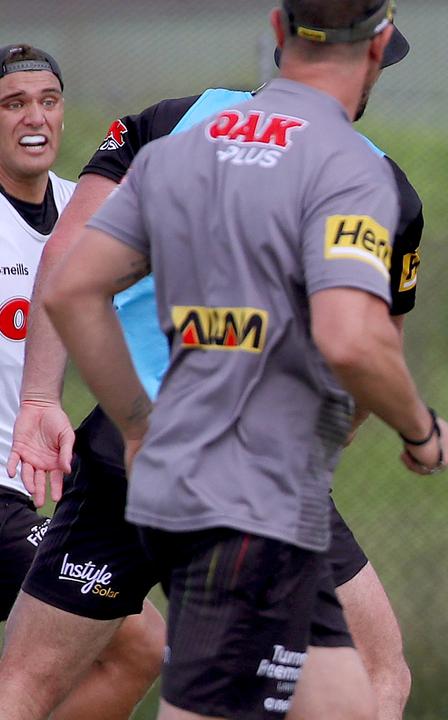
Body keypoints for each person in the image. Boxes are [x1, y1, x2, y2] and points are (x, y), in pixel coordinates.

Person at [0, 19, 423, 720]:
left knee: (30, 679)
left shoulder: (171, 122)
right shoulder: (375, 181)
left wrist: (43, 396)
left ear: (281, 36)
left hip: (121, 444)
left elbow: (67, 266)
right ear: (371, 58)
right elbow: (364, 356)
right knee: (373, 675)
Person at [0, 43, 170, 720]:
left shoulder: (84, 211)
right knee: (136, 644)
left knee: (136, 651)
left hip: (48, 483)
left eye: (47, 99)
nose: (32, 116)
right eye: (13, 103)